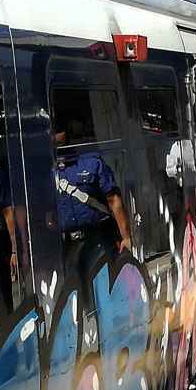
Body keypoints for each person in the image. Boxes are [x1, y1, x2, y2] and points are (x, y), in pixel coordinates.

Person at [54, 127, 132, 298]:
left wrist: (125, 237)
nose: (53, 135)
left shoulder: (91, 162)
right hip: (68, 246)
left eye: (57, 129)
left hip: (98, 238)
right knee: (78, 298)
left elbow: (114, 201)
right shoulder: (46, 172)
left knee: (108, 291)